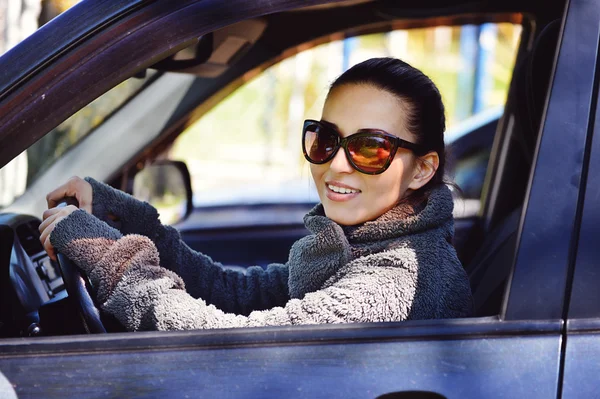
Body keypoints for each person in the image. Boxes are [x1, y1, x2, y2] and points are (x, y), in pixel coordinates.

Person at [39, 58, 473, 331]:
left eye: (370, 147)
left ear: (422, 169)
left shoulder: (394, 281)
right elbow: (233, 292)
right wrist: (129, 218)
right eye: (325, 139)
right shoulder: (360, 245)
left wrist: (108, 256)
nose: (336, 165)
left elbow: (227, 345)